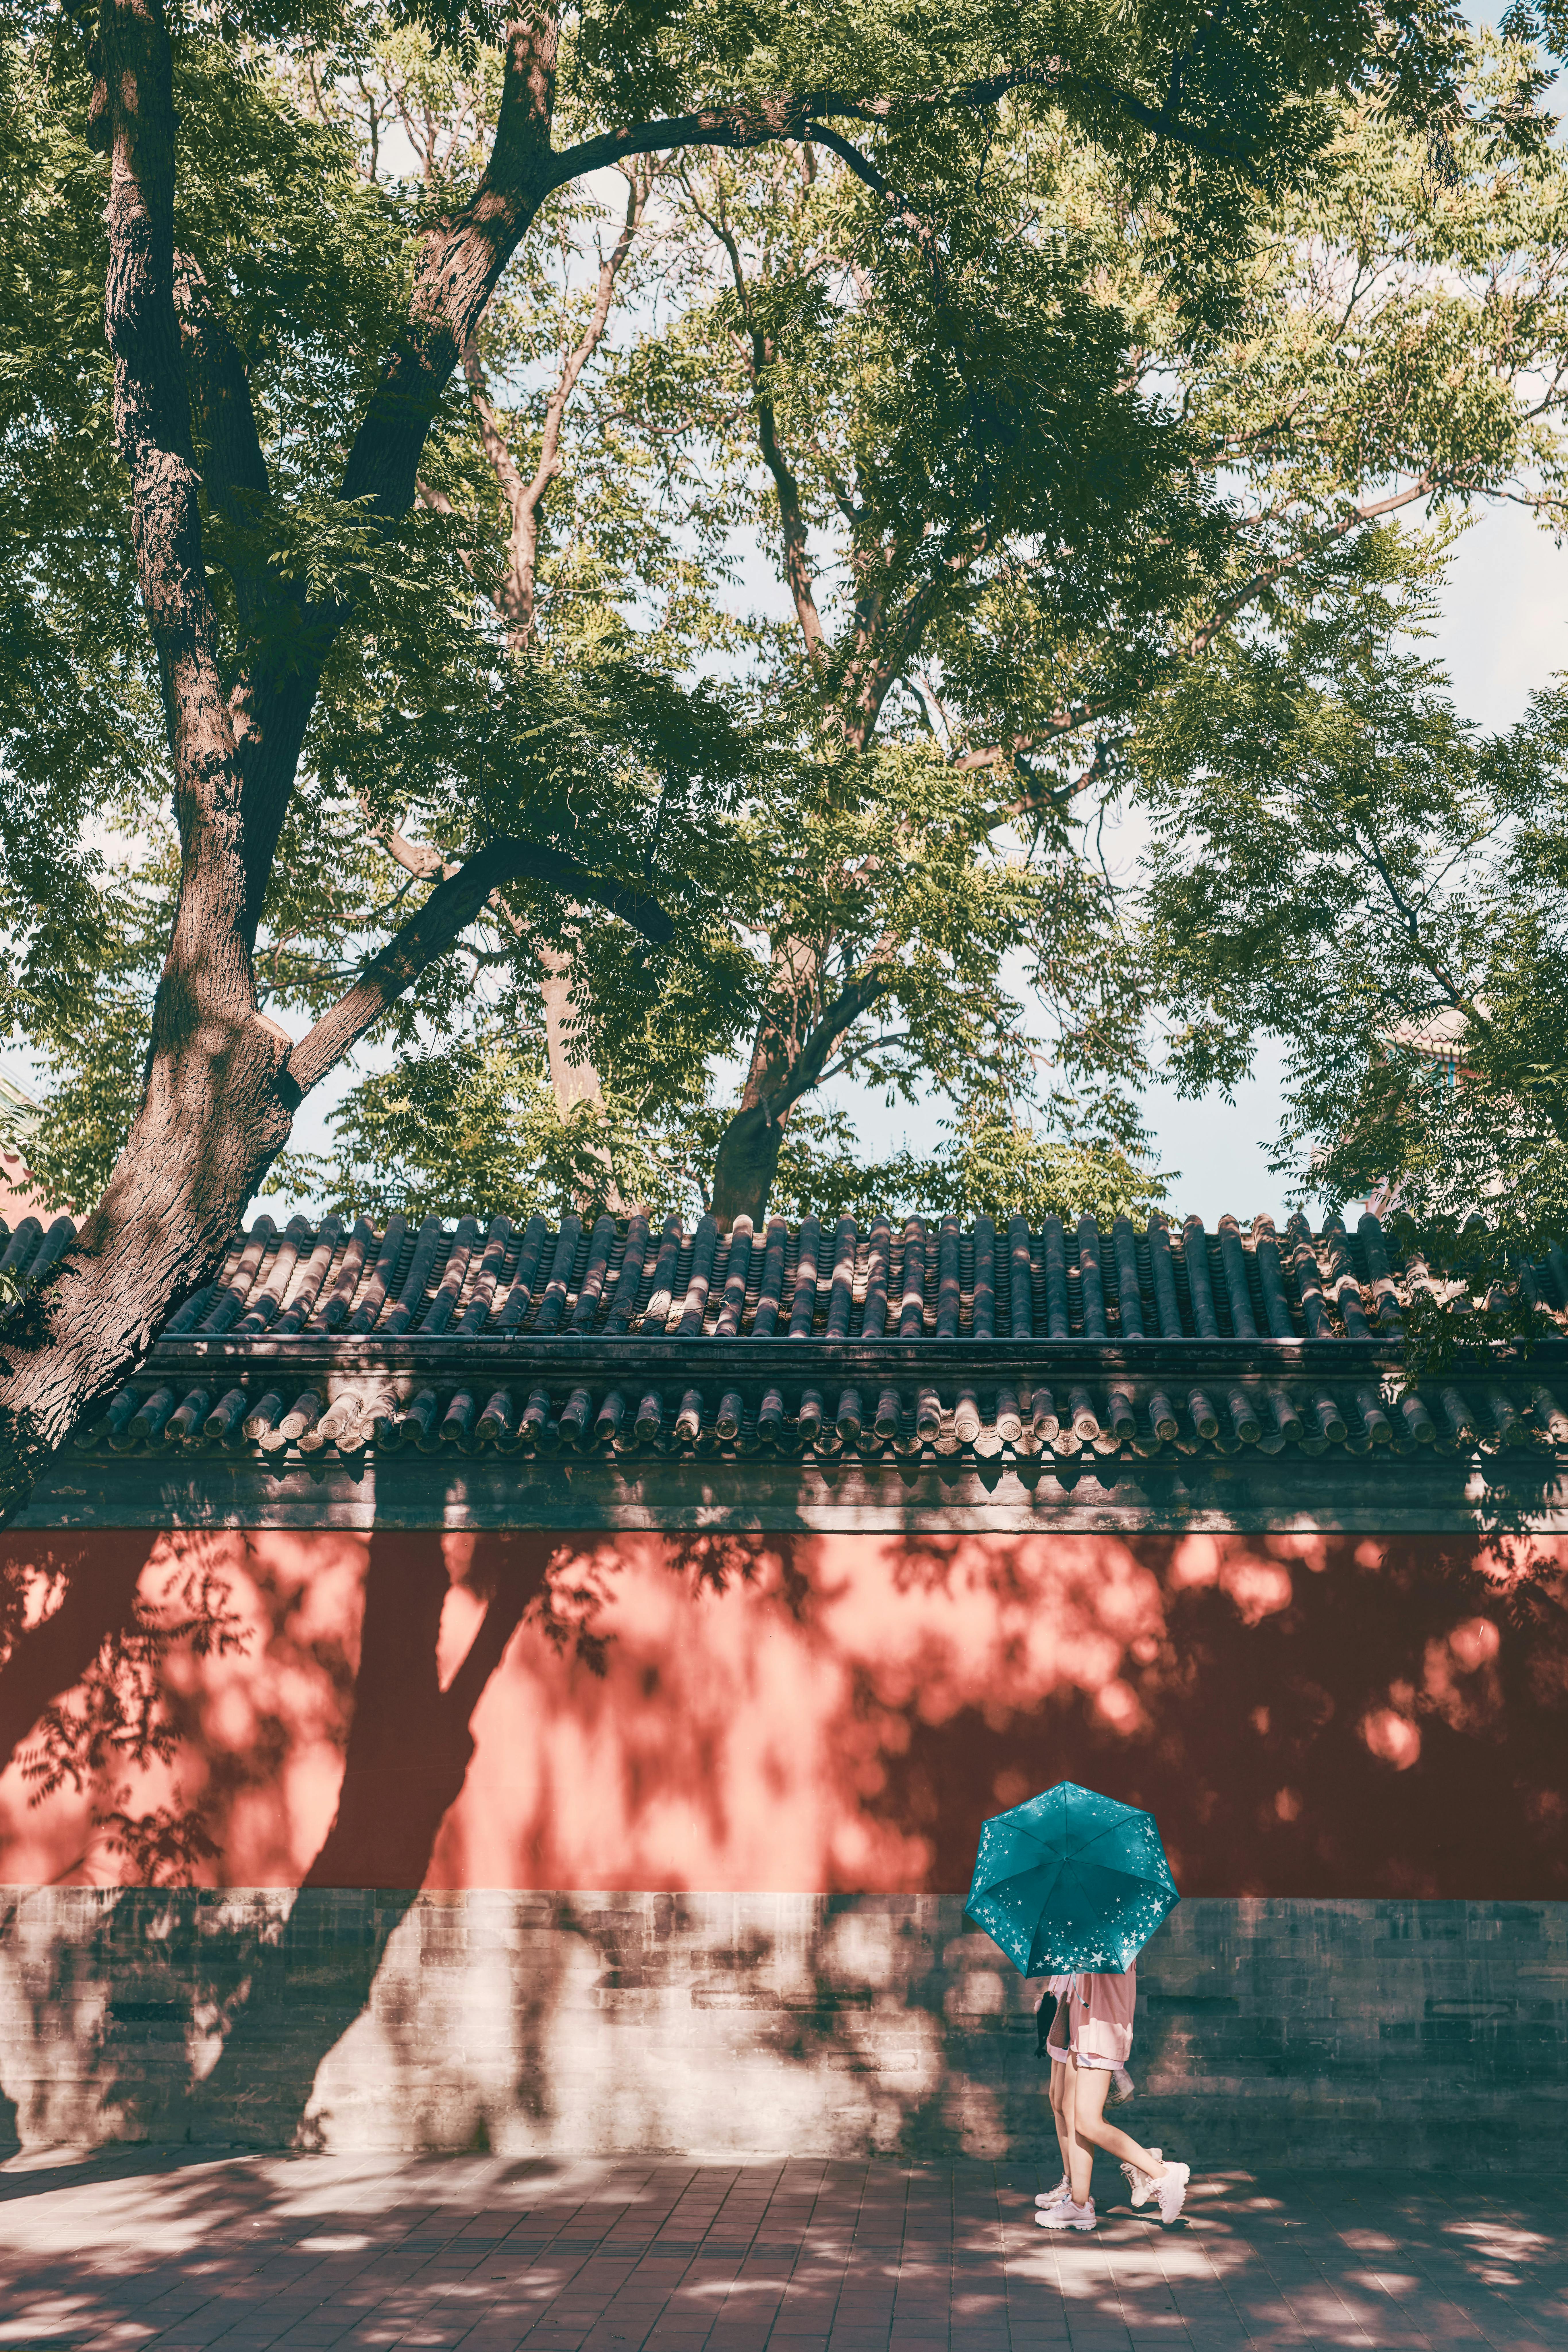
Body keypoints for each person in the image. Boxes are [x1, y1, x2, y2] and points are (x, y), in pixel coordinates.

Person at [1034, 1964, 1190, 2232]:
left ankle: (1159, 2172)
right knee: (1070, 2113)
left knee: (1085, 2121)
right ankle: (1079, 2203)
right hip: (1081, 2024)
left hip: (1099, 2029)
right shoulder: (1094, 1939)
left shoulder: (1106, 1941)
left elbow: (1105, 1986)